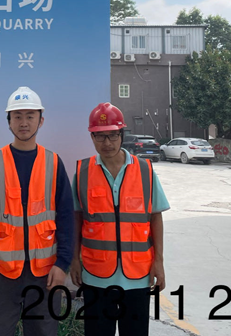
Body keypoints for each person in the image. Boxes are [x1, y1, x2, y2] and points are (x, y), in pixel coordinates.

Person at [0, 86, 75, 336]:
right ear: (9, 122)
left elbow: (66, 219)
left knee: (43, 332)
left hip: (45, 271)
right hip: (3, 272)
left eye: (30, 116)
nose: (24, 123)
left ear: (41, 120)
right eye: (17, 116)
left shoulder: (53, 163)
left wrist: (63, 264)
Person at [70, 103, 169, 336]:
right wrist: (74, 260)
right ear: (92, 137)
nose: (107, 143)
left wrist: (159, 261)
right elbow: (76, 220)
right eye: (100, 136)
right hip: (95, 275)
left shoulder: (144, 170)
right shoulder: (82, 172)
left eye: (112, 135)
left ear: (122, 135)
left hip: (138, 276)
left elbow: (155, 218)